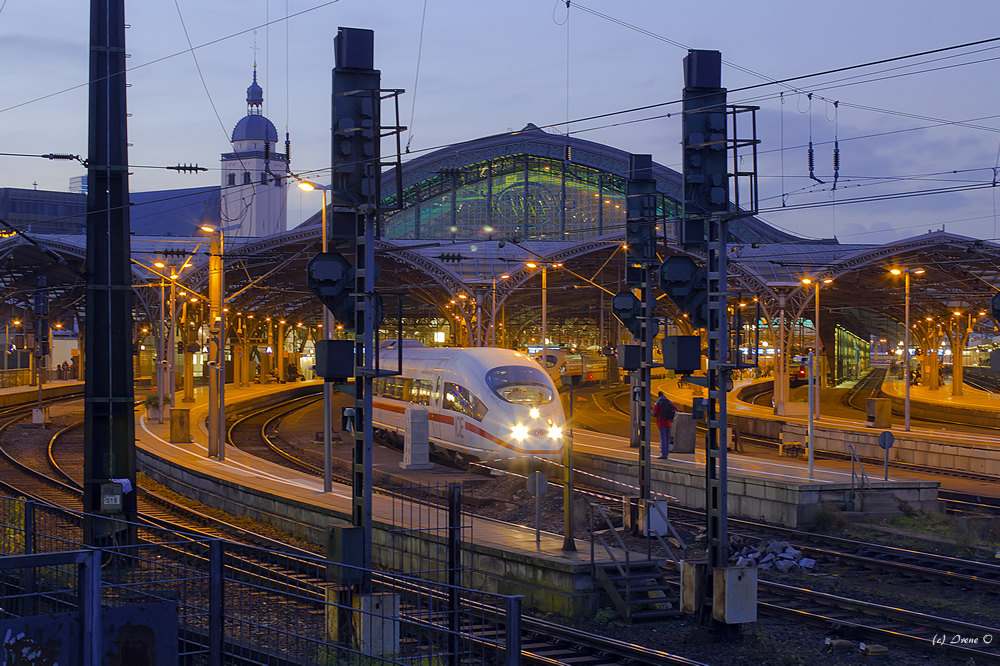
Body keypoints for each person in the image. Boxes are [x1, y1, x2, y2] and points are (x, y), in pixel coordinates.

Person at [652, 391, 676, 459]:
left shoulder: (658, 403)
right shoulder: (670, 402)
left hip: (661, 423)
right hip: (669, 423)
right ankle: (666, 453)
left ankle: (664, 454)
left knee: (663, 439)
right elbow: (676, 409)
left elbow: (654, 413)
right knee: (667, 439)